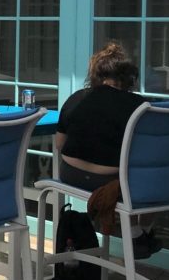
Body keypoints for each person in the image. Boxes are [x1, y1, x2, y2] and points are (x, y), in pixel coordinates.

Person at [54, 42, 157, 257]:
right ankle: (140, 233)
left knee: (130, 180)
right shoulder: (139, 105)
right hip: (112, 180)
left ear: (96, 75)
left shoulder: (77, 98)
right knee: (149, 175)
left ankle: (139, 235)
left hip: (71, 175)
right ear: (128, 77)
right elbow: (146, 152)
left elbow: (59, 144)